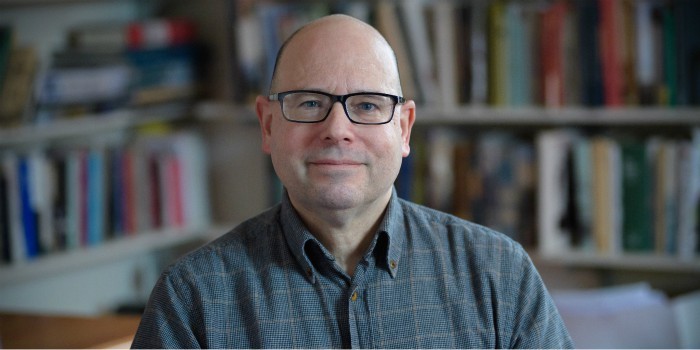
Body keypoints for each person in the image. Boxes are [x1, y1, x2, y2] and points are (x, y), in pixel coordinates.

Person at [131, 14, 573, 349]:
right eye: (308, 103)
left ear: (404, 128)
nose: (337, 129)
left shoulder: (499, 275)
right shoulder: (193, 301)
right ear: (267, 126)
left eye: (366, 105)